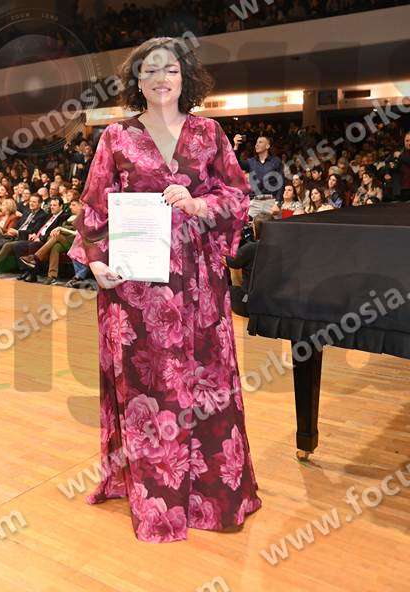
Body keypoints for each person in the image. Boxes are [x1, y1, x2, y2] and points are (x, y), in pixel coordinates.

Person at [69, 36, 261, 543]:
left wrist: (198, 204)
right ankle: (158, 500)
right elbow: (93, 205)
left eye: (170, 69)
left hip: (199, 284)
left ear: (185, 77)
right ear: (137, 81)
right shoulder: (116, 137)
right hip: (136, 288)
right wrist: (96, 260)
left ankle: (211, 496)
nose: (160, 78)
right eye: (150, 70)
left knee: (206, 385)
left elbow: (237, 196)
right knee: (148, 393)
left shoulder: (208, 132)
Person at [226, 214, 274, 316]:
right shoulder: (281, 245)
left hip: (250, 304)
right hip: (272, 302)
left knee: (227, 291)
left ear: (256, 229)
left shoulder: (251, 248)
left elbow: (230, 262)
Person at [234, 134, 284, 218]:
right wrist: (236, 146)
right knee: (248, 225)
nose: (256, 145)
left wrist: (278, 203)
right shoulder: (251, 162)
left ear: (267, 146)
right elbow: (235, 163)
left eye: (260, 142)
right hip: (254, 202)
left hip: (271, 202)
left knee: (274, 225)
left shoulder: (276, 161)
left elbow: (281, 183)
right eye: (256, 142)